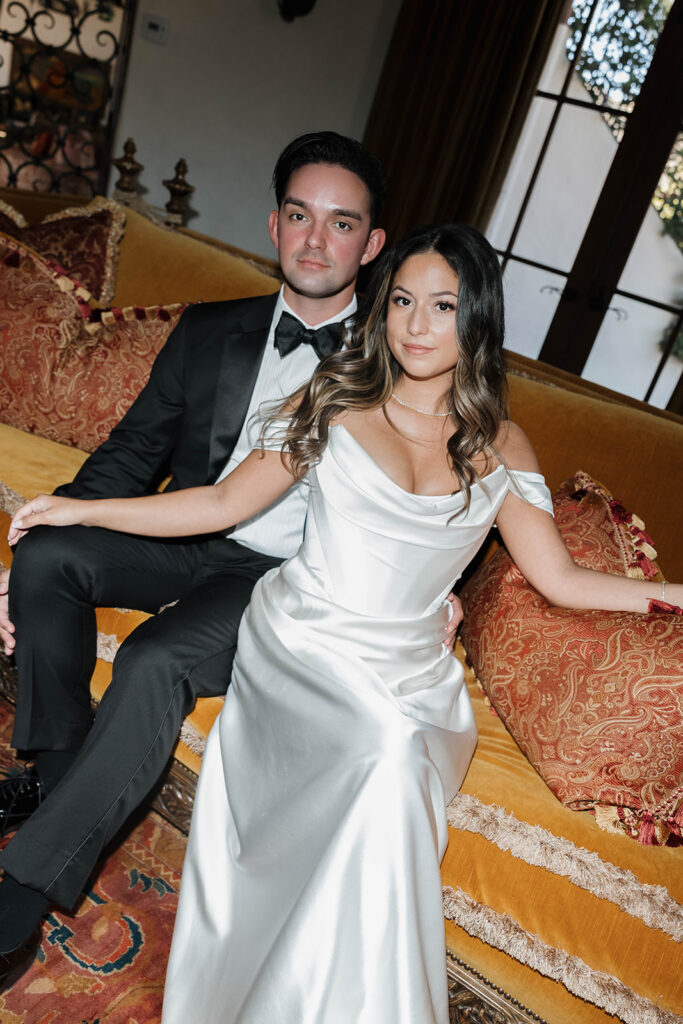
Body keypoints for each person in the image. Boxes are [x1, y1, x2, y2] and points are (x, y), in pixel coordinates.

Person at [8, 223, 679, 1022]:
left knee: (394, 750)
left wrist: (672, 596)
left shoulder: (501, 444)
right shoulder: (332, 398)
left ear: (478, 323)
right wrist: (84, 510)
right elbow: (222, 503)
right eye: (401, 301)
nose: (416, 324)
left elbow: (561, 580)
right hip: (300, 639)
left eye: (442, 306)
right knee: (386, 754)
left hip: (408, 667)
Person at [0, 130, 403, 975]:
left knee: (154, 659)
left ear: (371, 245)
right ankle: (68, 779)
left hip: (289, 578)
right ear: (272, 223)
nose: (314, 240)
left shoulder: (399, 365)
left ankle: (23, 887)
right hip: (192, 536)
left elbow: (438, 492)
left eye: (340, 224)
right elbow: (131, 456)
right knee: (45, 561)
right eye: (299, 215)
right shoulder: (210, 329)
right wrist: (46, 524)